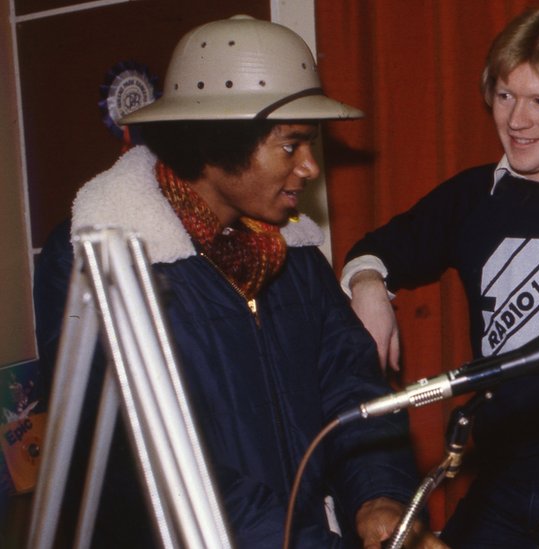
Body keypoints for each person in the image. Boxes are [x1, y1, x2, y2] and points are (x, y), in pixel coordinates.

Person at [32, 15, 444, 549]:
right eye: (291, 146)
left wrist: (379, 497)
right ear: (216, 144)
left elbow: (353, 388)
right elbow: (134, 463)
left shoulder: (292, 254)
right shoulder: (96, 261)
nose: (311, 167)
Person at [341, 7, 539, 548]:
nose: (516, 120)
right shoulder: (470, 197)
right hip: (502, 479)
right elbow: (371, 251)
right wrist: (369, 286)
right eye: (505, 95)